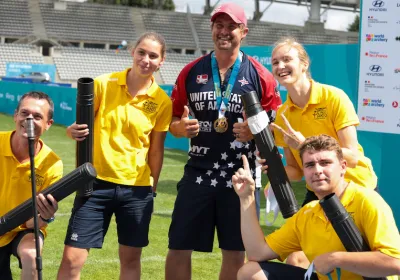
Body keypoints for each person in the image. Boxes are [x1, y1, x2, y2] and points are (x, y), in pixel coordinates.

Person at [165, 3, 281, 280]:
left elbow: (275, 126)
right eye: (219, 25)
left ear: (244, 32)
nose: (224, 32)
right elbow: (170, 123)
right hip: (198, 172)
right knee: (178, 247)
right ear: (212, 29)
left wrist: (255, 132)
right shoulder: (191, 71)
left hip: (241, 176)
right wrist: (181, 129)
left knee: (234, 252)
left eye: (231, 27)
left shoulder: (260, 75)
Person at [57, 32, 172, 280]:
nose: (146, 59)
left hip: (137, 190)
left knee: (130, 260)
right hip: (94, 185)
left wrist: (152, 185)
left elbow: (156, 148)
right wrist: (71, 130)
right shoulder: (103, 84)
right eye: (141, 52)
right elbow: (81, 126)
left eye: (153, 55)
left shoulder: (162, 101)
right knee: (72, 259)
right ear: (133, 52)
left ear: (161, 61)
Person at [260, 37, 378, 267]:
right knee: (295, 258)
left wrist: (306, 145)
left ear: (304, 64)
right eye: (275, 62)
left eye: (287, 59)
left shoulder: (333, 97)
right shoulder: (283, 113)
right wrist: (274, 174)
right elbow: (295, 170)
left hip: (355, 188)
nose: (280, 66)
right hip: (319, 192)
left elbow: (352, 157)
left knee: (358, 264)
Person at [233, 135, 400, 280]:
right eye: (310, 165)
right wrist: (246, 198)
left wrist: (336, 259)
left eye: (325, 162)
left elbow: (395, 262)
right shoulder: (309, 213)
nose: (317, 170)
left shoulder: (367, 201)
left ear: (343, 167)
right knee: (250, 272)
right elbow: (258, 253)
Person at [0, 91, 63, 280]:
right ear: (15, 116)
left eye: (37, 116)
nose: (29, 119)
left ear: (48, 124)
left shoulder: (53, 164)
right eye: (24, 113)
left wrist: (45, 216)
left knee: (32, 256)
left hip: (24, 228)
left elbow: (35, 222)